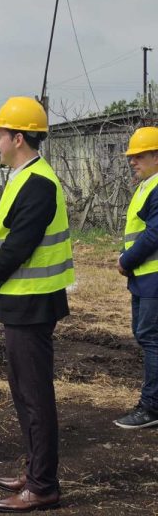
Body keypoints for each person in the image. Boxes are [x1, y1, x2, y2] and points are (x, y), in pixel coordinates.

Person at [0, 97, 74, 513]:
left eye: (0, 135)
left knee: (34, 396)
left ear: (18, 138)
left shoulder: (38, 183)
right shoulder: (23, 177)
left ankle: (43, 485)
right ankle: (35, 470)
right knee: (24, 391)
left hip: (32, 302)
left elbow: (20, 243)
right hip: (23, 300)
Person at [114, 126, 158, 429]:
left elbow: (154, 234)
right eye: (132, 156)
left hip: (152, 277)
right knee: (146, 336)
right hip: (143, 276)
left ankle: (151, 407)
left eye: (139, 155)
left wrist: (126, 260)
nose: (132, 161)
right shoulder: (146, 186)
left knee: (151, 338)